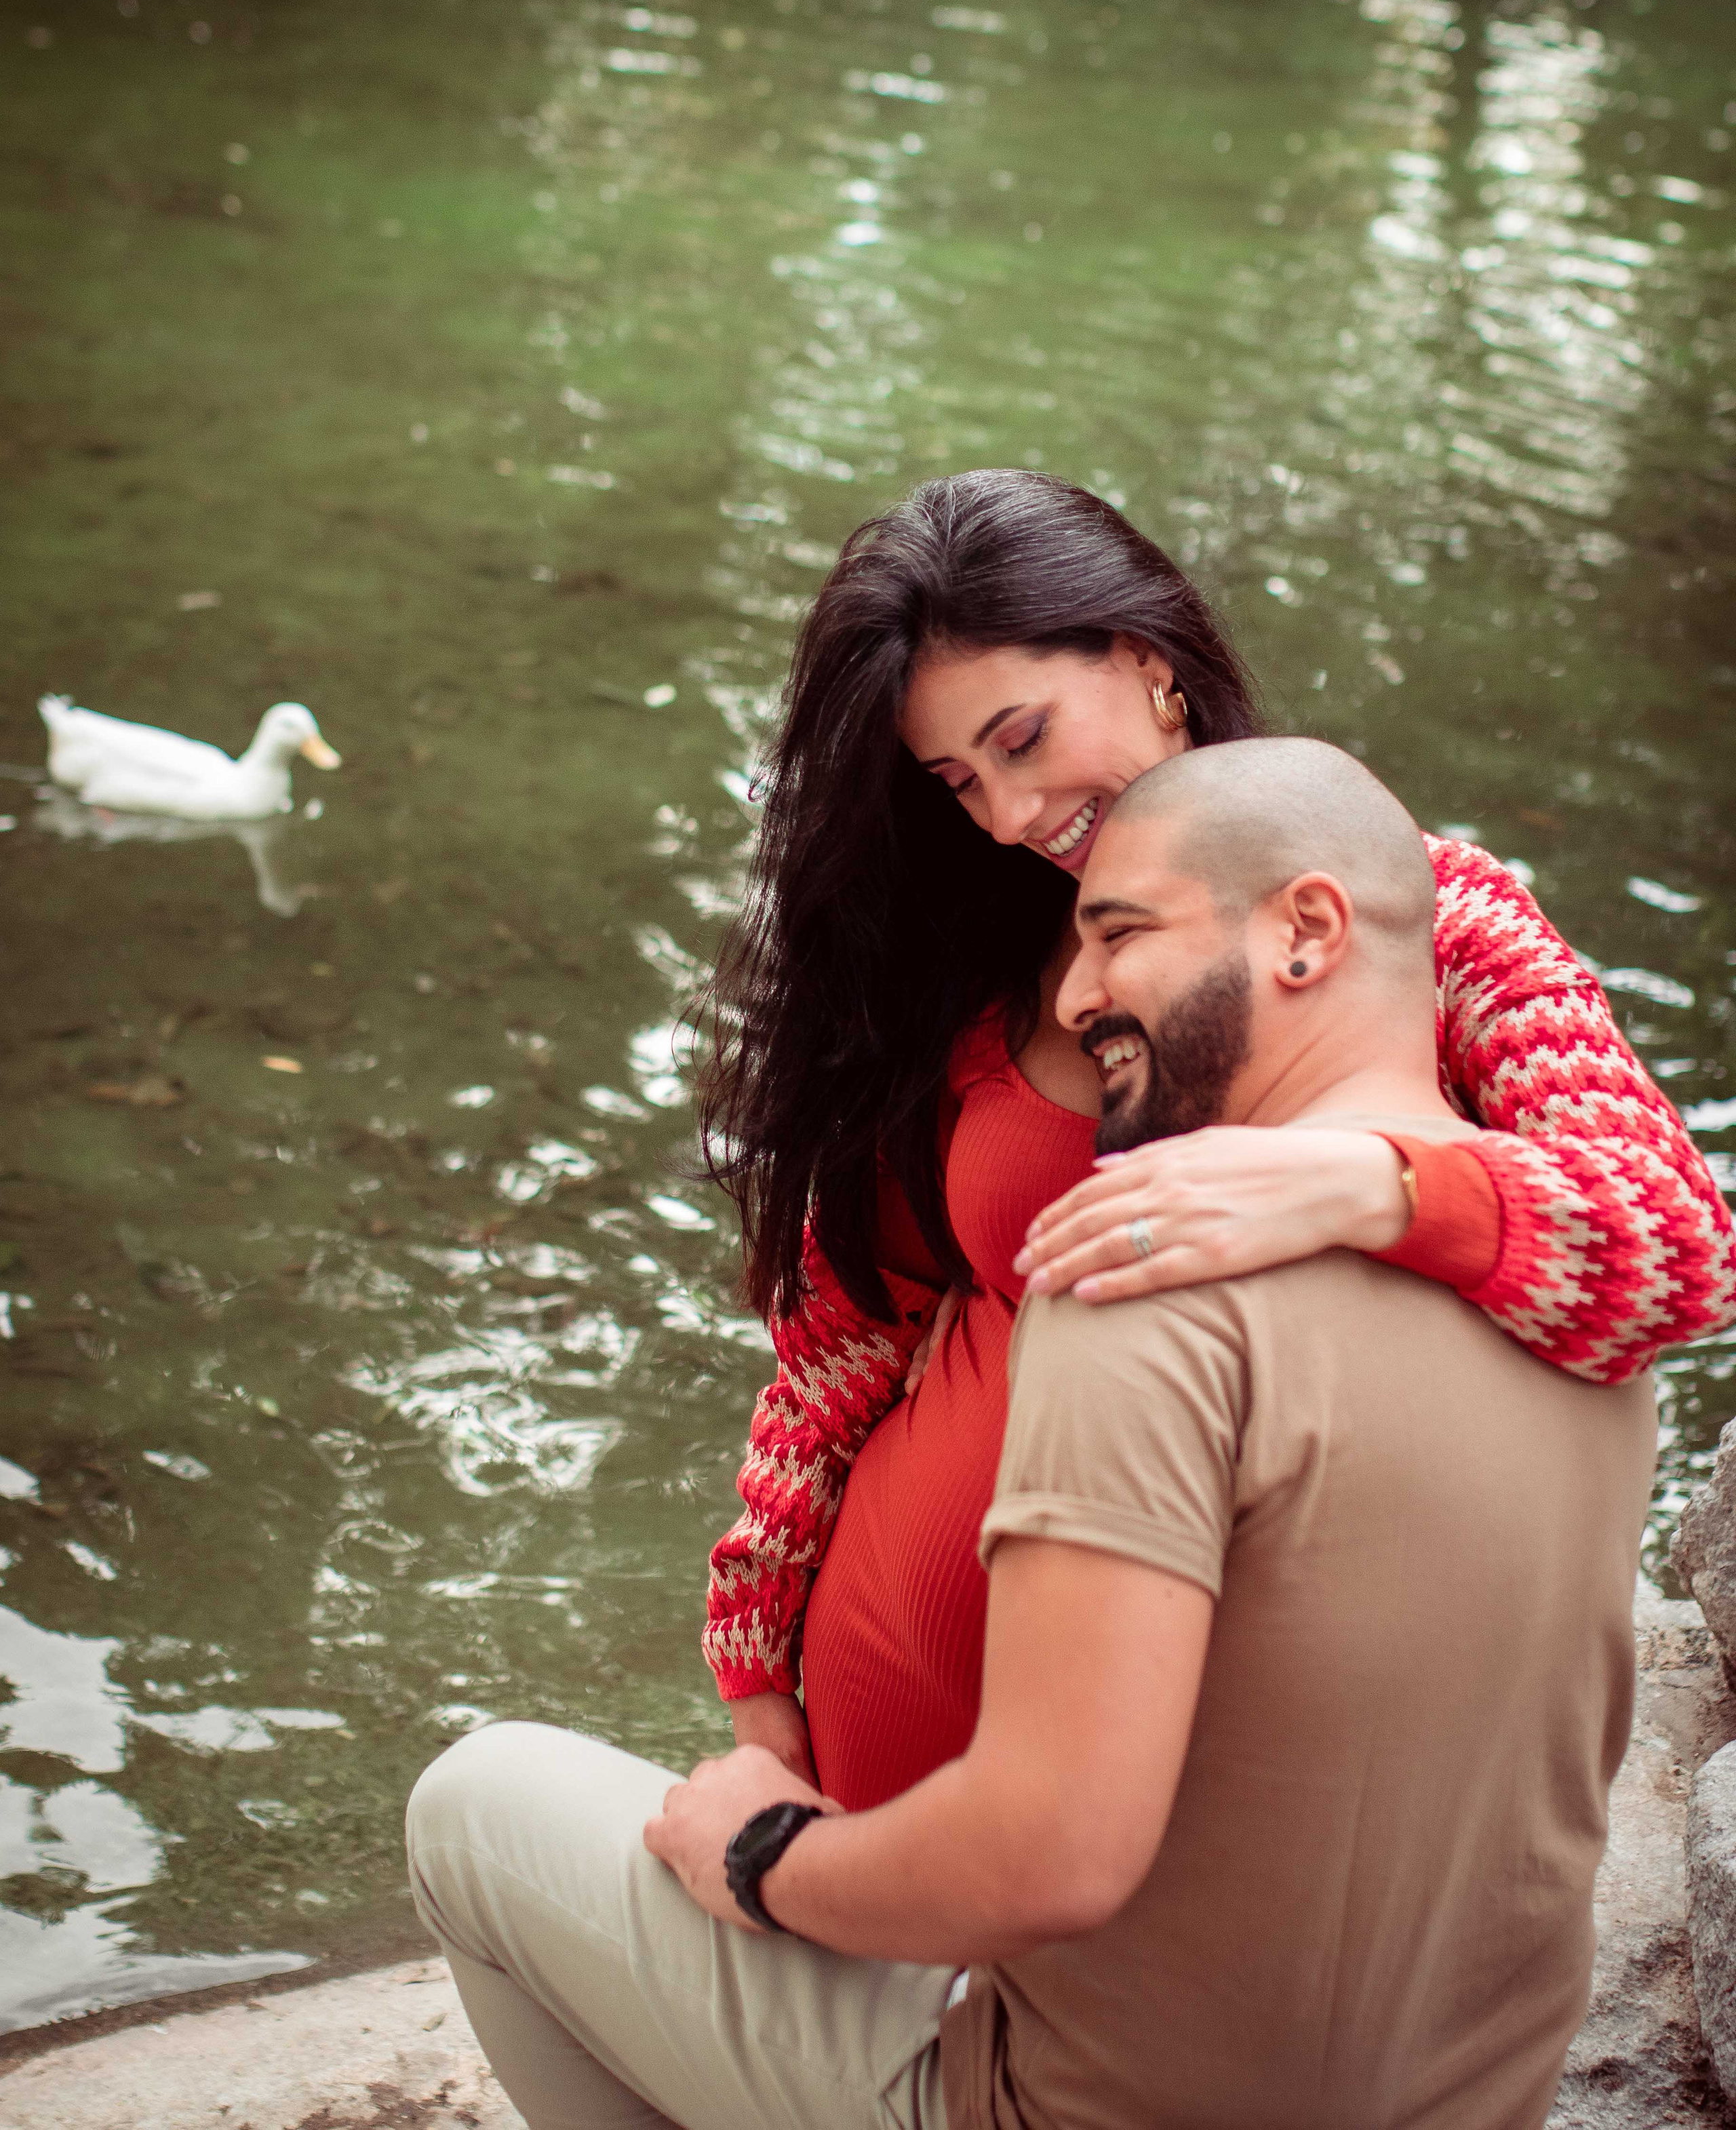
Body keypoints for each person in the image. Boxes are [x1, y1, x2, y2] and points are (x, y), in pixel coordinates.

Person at [406, 739, 1657, 2130]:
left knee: (471, 1807)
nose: (1072, 991)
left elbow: (1052, 1850)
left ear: (1305, 929)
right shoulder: (1579, 1300)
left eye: (1118, 932)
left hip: (1064, 2105)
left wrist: (760, 1848)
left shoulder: (1141, 1275)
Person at [697, 469, 1731, 1806]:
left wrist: (1355, 1183)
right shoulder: (965, 960)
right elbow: (848, 1340)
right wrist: (755, 1650)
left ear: (1147, 662)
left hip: (1141, 1824)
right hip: (857, 1781)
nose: (1006, 816)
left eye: (1019, 739)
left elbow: (1672, 1246)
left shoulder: (1405, 910)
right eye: (955, 780)